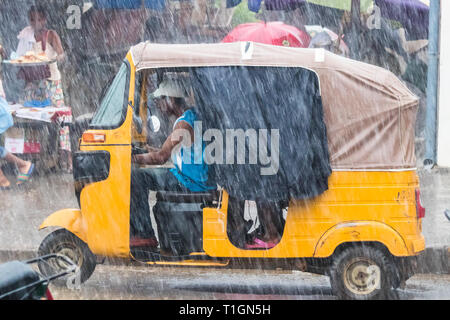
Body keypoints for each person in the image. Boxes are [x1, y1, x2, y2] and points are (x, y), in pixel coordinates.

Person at [130, 78, 216, 248]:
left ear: (170, 100)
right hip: (197, 179)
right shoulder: (193, 117)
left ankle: (143, 234)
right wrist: (147, 149)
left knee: (136, 177)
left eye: (161, 99)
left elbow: (161, 157)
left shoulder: (183, 124)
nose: (158, 104)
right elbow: (176, 152)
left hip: (189, 182)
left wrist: (132, 158)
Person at [18, 5, 72, 172]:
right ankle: (31, 160)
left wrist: (53, 59)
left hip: (52, 81)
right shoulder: (27, 35)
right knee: (29, 117)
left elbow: (62, 55)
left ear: (44, 20)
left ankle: (66, 160)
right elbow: (23, 58)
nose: (35, 23)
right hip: (35, 82)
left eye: (38, 19)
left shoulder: (51, 35)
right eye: (32, 20)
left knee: (61, 118)